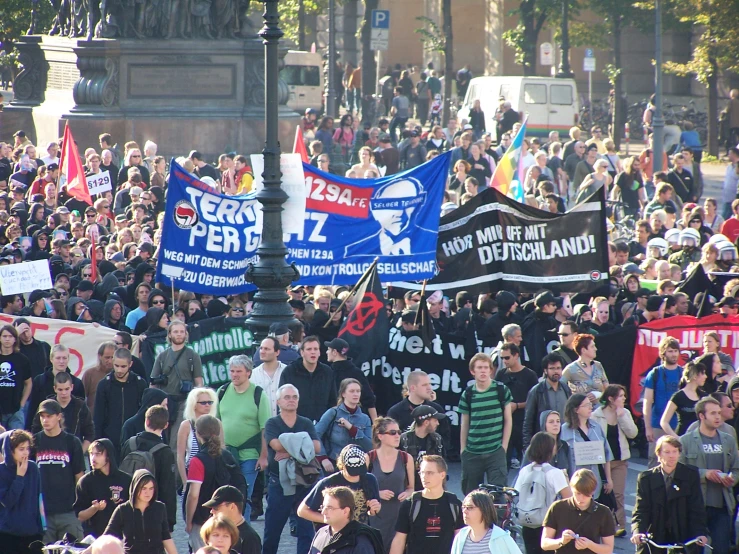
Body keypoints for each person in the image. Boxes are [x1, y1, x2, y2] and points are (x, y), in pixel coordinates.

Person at [262, 384, 321, 554]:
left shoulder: (306, 422)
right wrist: (302, 443)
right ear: (278, 401)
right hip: (279, 482)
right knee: (272, 531)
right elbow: (275, 444)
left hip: (304, 482)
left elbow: (316, 447)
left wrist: (288, 452)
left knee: (306, 531)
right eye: (287, 397)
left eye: (294, 397)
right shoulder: (272, 423)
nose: (291, 400)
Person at [678, 396, 739, 553]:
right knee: (693, 550)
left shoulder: (729, 440)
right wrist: (704, 474)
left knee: (721, 549)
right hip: (695, 505)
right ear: (701, 416)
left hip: (722, 505)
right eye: (713, 413)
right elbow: (678, 470)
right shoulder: (686, 441)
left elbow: (736, 468)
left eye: (719, 412)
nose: (718, 417)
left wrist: (732, 478)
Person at [630, 435, 708, 554]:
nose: (671, 455)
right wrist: (638, 532)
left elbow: (696, 507)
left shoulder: (690, 474)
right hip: (656, 533)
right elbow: (641, 509)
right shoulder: (646, 478)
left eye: (675, 451)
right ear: (659, 454)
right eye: (667, 452)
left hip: (682, 534)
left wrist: (700, 533)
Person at [216, 355, 270, 522]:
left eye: (239, 371)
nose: (234, 375)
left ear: (248, 372)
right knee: (225, 496)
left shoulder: (258, 394)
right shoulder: (222, 391)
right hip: (225, 454)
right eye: (232, 371)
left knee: (242, 495)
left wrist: (263, 456)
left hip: (249, 455)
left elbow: (265, 428)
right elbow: (216, 422)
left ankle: (241, 534)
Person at [185, 414, 246, 552]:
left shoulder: (198, 460)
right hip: (227, 521)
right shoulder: (227, 456)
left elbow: (193, 495)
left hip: (202, 520)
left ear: (197, 433)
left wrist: (189, 521)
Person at [33, 399, 85, 543]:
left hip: (68, 511)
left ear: (59, 416)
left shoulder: (72, 442)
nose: (45, 420)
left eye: (49, 416)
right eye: (42, 416)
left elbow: (79, 477)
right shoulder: (33, 442)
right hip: (42, 513)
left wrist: (79, 508)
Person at [459, 353, 512, 493]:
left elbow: (508, 420)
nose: (483, 371)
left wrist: (503, 447)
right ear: (473, 371)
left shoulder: (501, 390)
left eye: (486, 367)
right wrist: (463, 449)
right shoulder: (468, 394)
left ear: (490, 370)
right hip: (472, 452)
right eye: (479, 368)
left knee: (498, 495)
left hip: (495, 451)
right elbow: (464, 424)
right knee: (471, 495)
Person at [389, 455, 463, 554]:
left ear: (442, 475)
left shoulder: (454, 504)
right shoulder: (410, 504)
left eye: (429, 473)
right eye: (422, 472)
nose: (424, 476)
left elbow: (461, 539)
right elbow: (399, 540)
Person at [150, 320, 204, 454]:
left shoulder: (192, 356)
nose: (179, 335)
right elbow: (153, 383)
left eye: (182, 332)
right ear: (169, 334)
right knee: (162, 438)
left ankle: (175, 472)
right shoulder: (162, 356)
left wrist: (197, 403)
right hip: (165, 403)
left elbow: (199, 382)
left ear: (186, 334)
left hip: (184, 403)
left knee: (176, 441)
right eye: (175, 331)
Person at [119, 405, 177, 531]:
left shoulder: (129, 443)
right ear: (166, 425)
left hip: (128, 507)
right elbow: (168, 489)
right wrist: (169, 522)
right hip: (153, 512)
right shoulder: (164, 451)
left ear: (146, 421)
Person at [591, 385, 637, 537]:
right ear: (610, 399)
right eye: (621, 396)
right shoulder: (596, 415)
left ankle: (619, 525)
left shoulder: (625, 413)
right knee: (601, 493)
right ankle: (600, 524)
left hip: (619, 461)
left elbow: (633, 434)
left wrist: (622, 416)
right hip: (601, 461)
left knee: (617, 494)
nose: (624, 398)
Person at [515, 432, 571, 554]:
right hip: (547, 523)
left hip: (527, 520)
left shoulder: (525, 470)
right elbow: (569, 498)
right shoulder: (555, 473)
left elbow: (516, 492)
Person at [299, 445, 381, 525]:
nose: (356, 474)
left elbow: (372, 512)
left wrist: (375, 508)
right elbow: (302, 511)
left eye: (359, 469)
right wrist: (329, 520)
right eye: (352, 470)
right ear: (342, 464)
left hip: (360, 532)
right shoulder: (328, 483)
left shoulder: (370, 479)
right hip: (335, 534)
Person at [541, 469, 615, 553]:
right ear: (571, 489)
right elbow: (544, 543)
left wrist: (590, 545)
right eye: (578, 493)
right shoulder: (557, 507)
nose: (581, 499)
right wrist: (561, 541)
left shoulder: (603, 512)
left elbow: (608, 549)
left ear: (593, 491)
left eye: (586, 494)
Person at [104, 469, 177, 554]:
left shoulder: (160, 508)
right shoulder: (122, 510)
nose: (148, 492)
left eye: (151, 488)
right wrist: (88, 550)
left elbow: (166, 537)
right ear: (135, 488)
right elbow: (106, 537)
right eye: (144, 488)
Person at [368, 417, 414, 551]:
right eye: (393, 432)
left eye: (399, 432)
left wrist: (407, 493)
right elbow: (359, 489)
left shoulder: (406, 458)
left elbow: (411, 488)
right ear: (380, 436)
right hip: (375, 517)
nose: (398, 436)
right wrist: (378, 494)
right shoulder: (369, 458)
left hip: (399, 516)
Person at [94, 348, 147, 457]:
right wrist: (98, 442)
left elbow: (143, 413)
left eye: (123, 367)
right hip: (109, 440)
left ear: (130, 364)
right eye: (116, 366)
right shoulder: (104, 385)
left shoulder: (140, 384)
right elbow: (98, 416)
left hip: (133, 440)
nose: (119, 370)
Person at [74, 439, 132, 538]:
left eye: (98, 454)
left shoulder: (126, 480)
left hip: (121, 538)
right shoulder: (85, 482)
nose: (93, 458)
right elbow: (79, 516)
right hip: (94, 539)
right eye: (91, 454)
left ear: (108, 456)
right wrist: (94, 508)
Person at [560, 394, 613, 501]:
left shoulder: (596, 427)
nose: (591, 407)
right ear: (576, 409)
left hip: (595, 483)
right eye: (586, 405)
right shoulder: (564, 430)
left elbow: (607, 454)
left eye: (590, 404)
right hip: (575, 484)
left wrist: (608, 479)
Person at [495, 342, 538, 468]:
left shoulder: (529, 375)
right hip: (505, 422)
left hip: (523, 421)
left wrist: (517, 406)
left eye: (507, 357)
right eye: (502, 358)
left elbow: (534, 400)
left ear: (516, 356)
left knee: (527, 459)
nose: (504, 361)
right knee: (503, 460)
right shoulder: (501, 374)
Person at [0, 429, 43, 554]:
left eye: (27, 448)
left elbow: (38, 499)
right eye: (21, 449)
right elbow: (7, 502)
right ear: (10, 450)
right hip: (7, 534)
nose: (25, 453)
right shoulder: (1, 471)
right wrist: (19, 477)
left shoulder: (33, 468)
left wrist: (41, 528)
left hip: (31, 533)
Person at [643, 337, 683, 467]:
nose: (674, 354)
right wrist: (648, 427)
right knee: (655, 461)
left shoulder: (684, 373)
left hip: (679, 425)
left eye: (676, 351)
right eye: (670, 351)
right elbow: (647, 402)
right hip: (657, 425)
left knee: (678, 462)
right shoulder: (654, 374)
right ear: (663, 353)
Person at [309, 486, 384, 554]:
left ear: (345, 511)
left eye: (330, 508)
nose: (323, 512)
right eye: (323, 507)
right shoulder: (320, 533)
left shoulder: (360, 541)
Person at [315, 378, 372, 467]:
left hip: (357, 464)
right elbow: (315, 434)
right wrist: (323, 457)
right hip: (334, 462)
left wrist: (352, 428)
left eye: (358, 391)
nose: (356, 394)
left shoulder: (365, 418)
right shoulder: (333, 413)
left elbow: (369, 446)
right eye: (352, 391)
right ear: (343, 394)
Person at [279, 336, 337, 424]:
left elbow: (333, 401)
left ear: (319, 352)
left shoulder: (327, 372)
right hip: (296, 425)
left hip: (323, 425)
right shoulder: (290, 371)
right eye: (309, 349)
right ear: (302, 352)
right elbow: (282, 400)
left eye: (315, 349)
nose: (313, 352)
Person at [387, 370, 450, 446]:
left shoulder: (437, 409)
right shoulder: (395, 412)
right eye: (424, 385)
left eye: (429, 384)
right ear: (413, 388)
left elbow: (446, 441)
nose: (429, 388)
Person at [450, 488, 522, 554]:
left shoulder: (500, 537)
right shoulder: (460, 536)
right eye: (463, 507)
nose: (464, 511)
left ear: (484, 510)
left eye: (470, 508)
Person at [523, 354, 571, 449]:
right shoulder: (537, 391)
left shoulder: (566, 389)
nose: (556, 371)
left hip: (564, 440)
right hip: (544, 441)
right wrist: (527, 447)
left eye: (558, 368)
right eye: (552, 368)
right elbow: (528, 421)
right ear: (545, 370)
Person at [177, 387, 221, 487]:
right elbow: (180, 457)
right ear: (194, 404)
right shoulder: (186, 425)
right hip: (192, 473)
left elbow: (221, 449)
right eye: (203, 402)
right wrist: (185, 482)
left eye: (210, 402)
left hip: (213, 474)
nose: (207, 405)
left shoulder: (217, 423)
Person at [325, 338, 377, 421]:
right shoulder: (357, 372)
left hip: (343, 419)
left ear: (334, 352)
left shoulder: (329, 373)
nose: (326, 352)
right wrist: (375, 423)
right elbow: (369, 399)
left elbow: (369, 399)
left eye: (328, 349)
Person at [203, 486, 262, 554]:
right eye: (216, 535)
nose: (211, 511)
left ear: (232, 507)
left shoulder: (250, 538)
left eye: (216, 507)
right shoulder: (213, 529)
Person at [660, 361, 707, 437]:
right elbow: (664, 422)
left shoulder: (704, 396)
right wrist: (677, 438)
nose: (706, 376)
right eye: (703, 373)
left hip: (701, 439)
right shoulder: (678, 396)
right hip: (683, 437)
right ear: (695, 376)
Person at [561, 334, 609, 404]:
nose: (596, 349)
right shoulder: (570, 369)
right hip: (580, 411)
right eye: (592, 346)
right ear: (583, 350)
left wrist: (598, 395)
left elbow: (608, 389)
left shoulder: (598, 365)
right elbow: (559, 387)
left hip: (600, 410)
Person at [0, 325, 32, 430]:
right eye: (4, 336)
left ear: (15, 339)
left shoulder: (22, 360)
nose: (7, 339)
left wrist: (22, 404)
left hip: (16, 410)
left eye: (10, 336)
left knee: (16, 443)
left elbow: (28, 383)